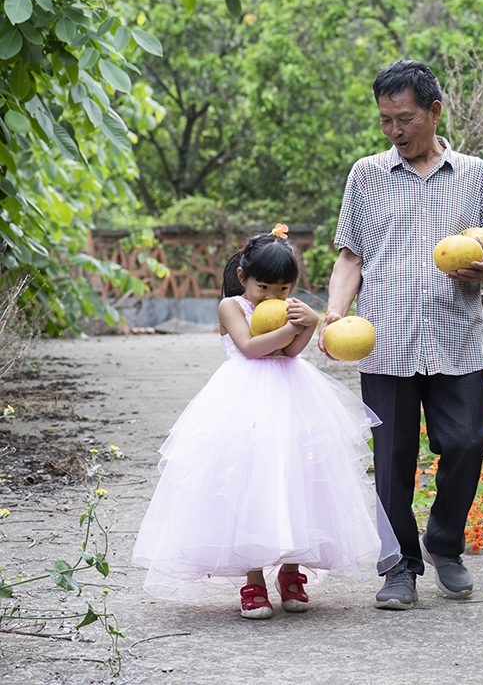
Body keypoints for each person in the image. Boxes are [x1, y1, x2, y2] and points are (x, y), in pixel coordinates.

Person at [133, 226, 400, 619]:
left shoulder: (287, 306)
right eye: (264, 288)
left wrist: (308, 324)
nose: (273, 297)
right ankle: (253, 579)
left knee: (298, 476)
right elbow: (251, 348)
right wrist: (292, 325)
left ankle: (291, 573)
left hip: (293, 394)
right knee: (249, 480)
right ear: (243, 277)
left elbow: (290, 353)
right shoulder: (232, 306)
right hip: (244, 398)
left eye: (283, 289)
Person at [319, 60, 483, 610]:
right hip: (386, 342)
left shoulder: (474, 173)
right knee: (392, 461)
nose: (394, 131)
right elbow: (350, 255)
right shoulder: (366, 174)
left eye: (404, 119)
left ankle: (445, 544)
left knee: (469, 441)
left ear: (434, 111)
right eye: (385, 121)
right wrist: (335, 315)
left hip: (455, 339)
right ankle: (400, 566)